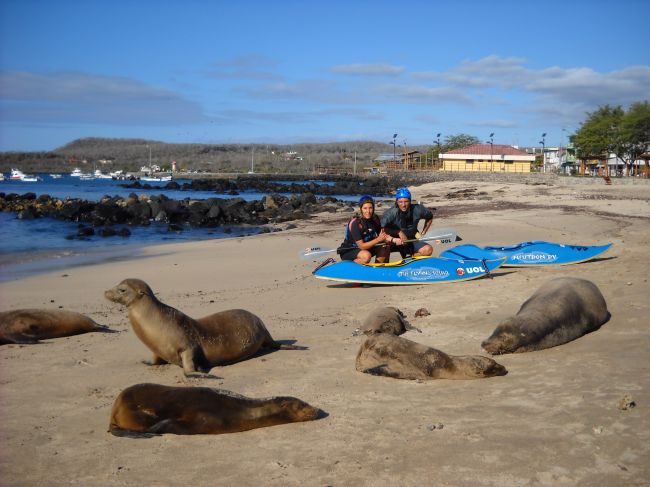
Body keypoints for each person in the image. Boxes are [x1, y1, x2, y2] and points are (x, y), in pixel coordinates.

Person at [381, 187, 434, 259]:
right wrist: (398, 232)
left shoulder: (418, 209)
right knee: (383, 249)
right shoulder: (390, 213)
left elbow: (429, 217)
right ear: (396, 202)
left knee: (428, 250)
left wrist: (423, 232)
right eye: (400, 202)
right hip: (393, 241)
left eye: (406, 201)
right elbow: (382, 230)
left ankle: (408, 261)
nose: (403, 205)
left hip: (411, 239)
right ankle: (384, 269)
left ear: (410, 201)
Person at [338, 195, 391, 264]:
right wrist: (378, 239)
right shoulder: (356, 223)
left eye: (370, 208)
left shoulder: (375, 219)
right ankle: (349, 267)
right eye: (365, 208)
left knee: (385, 247)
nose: (368, 211)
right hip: (350, 250)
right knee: (366, 256)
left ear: (373, 208)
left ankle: (378, 270)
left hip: (367, 247)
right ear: (361, 209)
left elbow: (382, 236)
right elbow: (362, 246)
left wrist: (392, 239)